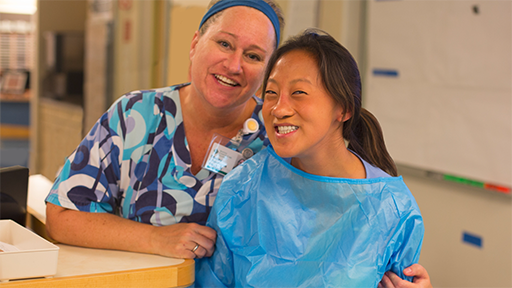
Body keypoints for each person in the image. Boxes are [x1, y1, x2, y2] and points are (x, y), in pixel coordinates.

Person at [44, 0, 432, 286]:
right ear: (196, 43)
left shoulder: (279, 143)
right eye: (224, 44)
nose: (234, 65)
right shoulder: (136, 117)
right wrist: (154, 238)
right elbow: (63, 213)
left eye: (253, 55)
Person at [195, 29, 425, 287]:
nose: (279, 109)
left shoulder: (392, 208)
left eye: (299, 93)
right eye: (271, 93)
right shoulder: (243, 188)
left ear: (344, 108)